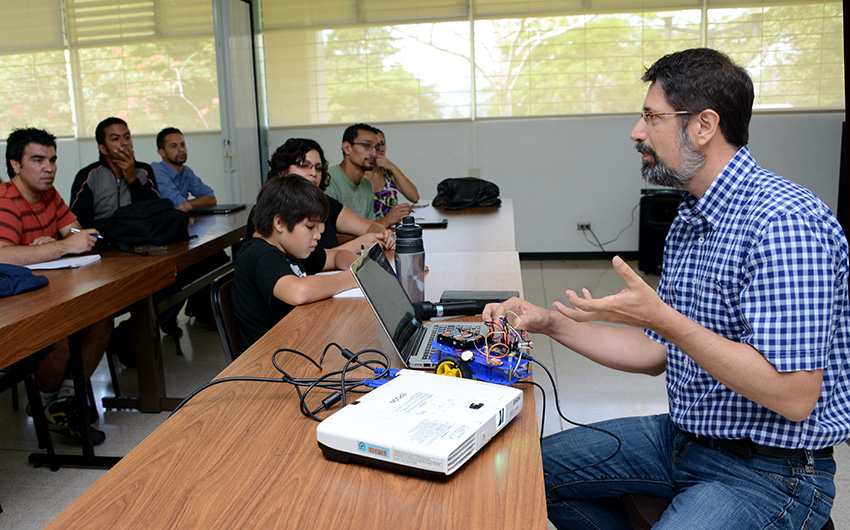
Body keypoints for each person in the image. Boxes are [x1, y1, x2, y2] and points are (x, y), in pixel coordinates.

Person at [484, 48, 849, 529]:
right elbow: (655, 351)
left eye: (651, 117)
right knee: (524, 473)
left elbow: (795, 396)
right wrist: (550, 323)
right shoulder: (691, 216)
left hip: (769, 471)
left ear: (704, 125)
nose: (637, 132)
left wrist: (663, 318)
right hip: (681, 438)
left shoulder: (785, 224)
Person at [0, 128, 112, 445]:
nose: (49, 167)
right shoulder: (6, 199)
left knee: (102, 314)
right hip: (14, 308)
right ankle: (45, 405)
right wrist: (60, 247)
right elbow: (2, 255)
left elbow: (80, 234)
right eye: (38, 160)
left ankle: (65, 402)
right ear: (16, 165)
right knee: (61, 329)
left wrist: (62, 241)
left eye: (52, 160)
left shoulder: (49, 195)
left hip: (49, 292)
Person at [232, 175, 358, 348]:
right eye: (309, 227)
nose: (318, 235)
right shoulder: (260, 254)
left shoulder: (292, 249)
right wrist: (351, 278)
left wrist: (357, 265)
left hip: (298, 340)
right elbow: (298, 292)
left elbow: (337, 256)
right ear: (280, 223)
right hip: (271, 360)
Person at [266, 138, 394, 253]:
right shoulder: (272, 207)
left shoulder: (326, 203)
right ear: (283, 170)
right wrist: (353, 246)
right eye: (304, 165)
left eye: (318, 168)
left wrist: (383, 234)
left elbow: (370, 227)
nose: (313, 173)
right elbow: (296, 264)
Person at [70, 117, 159, 227]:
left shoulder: (144, 171)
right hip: (103, 239)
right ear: (103, 148)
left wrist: (132, 179)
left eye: (127, 137)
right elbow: (78, 223)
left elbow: (155, 214)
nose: (124, 143)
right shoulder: (88, 176)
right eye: (115, 139)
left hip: (139, 237)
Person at [324, 124, 400, 228]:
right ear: (347, 148)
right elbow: (330, 236)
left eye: (376, 148)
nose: (373, 153)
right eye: (366, 145)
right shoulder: (328, 179)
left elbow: (368, 227)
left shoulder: (366, 184)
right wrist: (386, 220)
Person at [151, 127, 216, 212]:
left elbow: (211, 198)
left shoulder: (186, 171)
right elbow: (180, 207)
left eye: (182, 144)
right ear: (162, 152)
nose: (181, 149)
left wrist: (186, 204)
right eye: (173, 146)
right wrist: (183, 205)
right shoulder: (156, 170)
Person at [364, 128, 418, 223]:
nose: (380, 148)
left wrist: (392, 167)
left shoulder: (388, 172)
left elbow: (414, 197)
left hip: (392, 232)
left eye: (382, 143)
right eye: (375, 145)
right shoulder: (357, 176)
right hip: (368, 233)